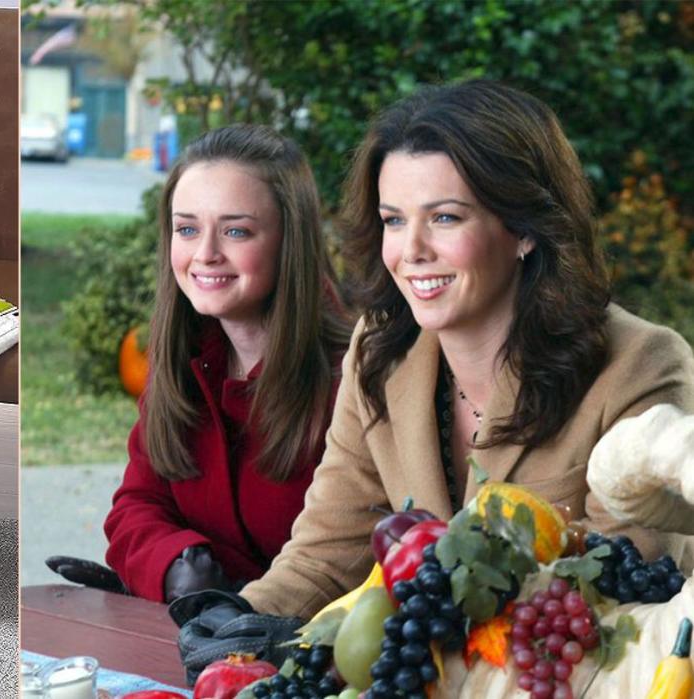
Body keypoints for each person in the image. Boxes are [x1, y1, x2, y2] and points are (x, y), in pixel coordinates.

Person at [173, 80, 694, 680]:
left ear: (524, 230)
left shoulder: (640, 365)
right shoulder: (381, 350)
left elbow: (613, 610)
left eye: (445, 218)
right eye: (394, 220)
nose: (411, 250)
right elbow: (328, 549)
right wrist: (247, 620)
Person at [50, 124, 353, 605]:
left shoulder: (351, 378)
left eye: (236, 231)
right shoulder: (183, 360)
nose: (205, 254)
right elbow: (137, 505)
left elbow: (347, 557)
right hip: (193, 643)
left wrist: (229, 598)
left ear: (289, 241)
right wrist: (176, 565)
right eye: (187, 229)